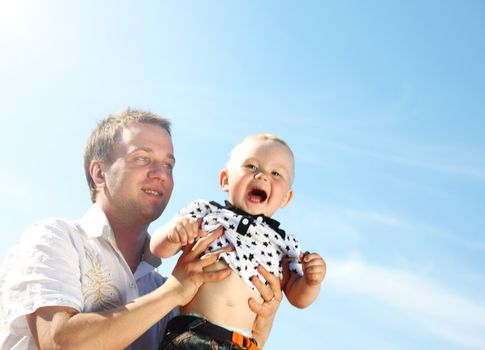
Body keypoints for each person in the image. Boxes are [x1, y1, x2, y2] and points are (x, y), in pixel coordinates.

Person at [0, 109, 281, 350]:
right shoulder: (54, 238)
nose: (160, 173)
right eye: (142, 158)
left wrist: (261, 325)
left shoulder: (164, 289)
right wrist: (173, 292)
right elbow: (58, 343)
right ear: (99, 174)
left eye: (168, 164)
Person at [151, 134, 327, 349]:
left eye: (275, 173)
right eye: (252, 166)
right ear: (225, 179)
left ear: (286, 198)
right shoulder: (207, 214)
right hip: (192, 335)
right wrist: (173, 233)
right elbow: (158, 249)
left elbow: (299, 298)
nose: (262, 176)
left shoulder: (284, 245)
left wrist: (311, 281)